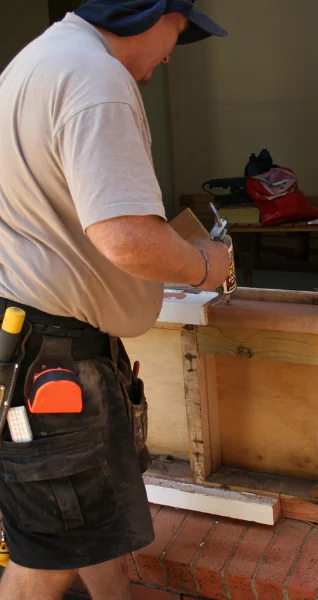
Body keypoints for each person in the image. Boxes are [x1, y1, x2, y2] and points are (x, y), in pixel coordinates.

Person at [0, 1, 231, 598]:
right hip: (52, 361)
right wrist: (206, 264)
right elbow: (124, 237)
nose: (170, 52)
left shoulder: (36, 62)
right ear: (153, 12)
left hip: (36, 346)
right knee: (47, 557)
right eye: (179, 32)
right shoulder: (96, 78)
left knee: (86, 526)